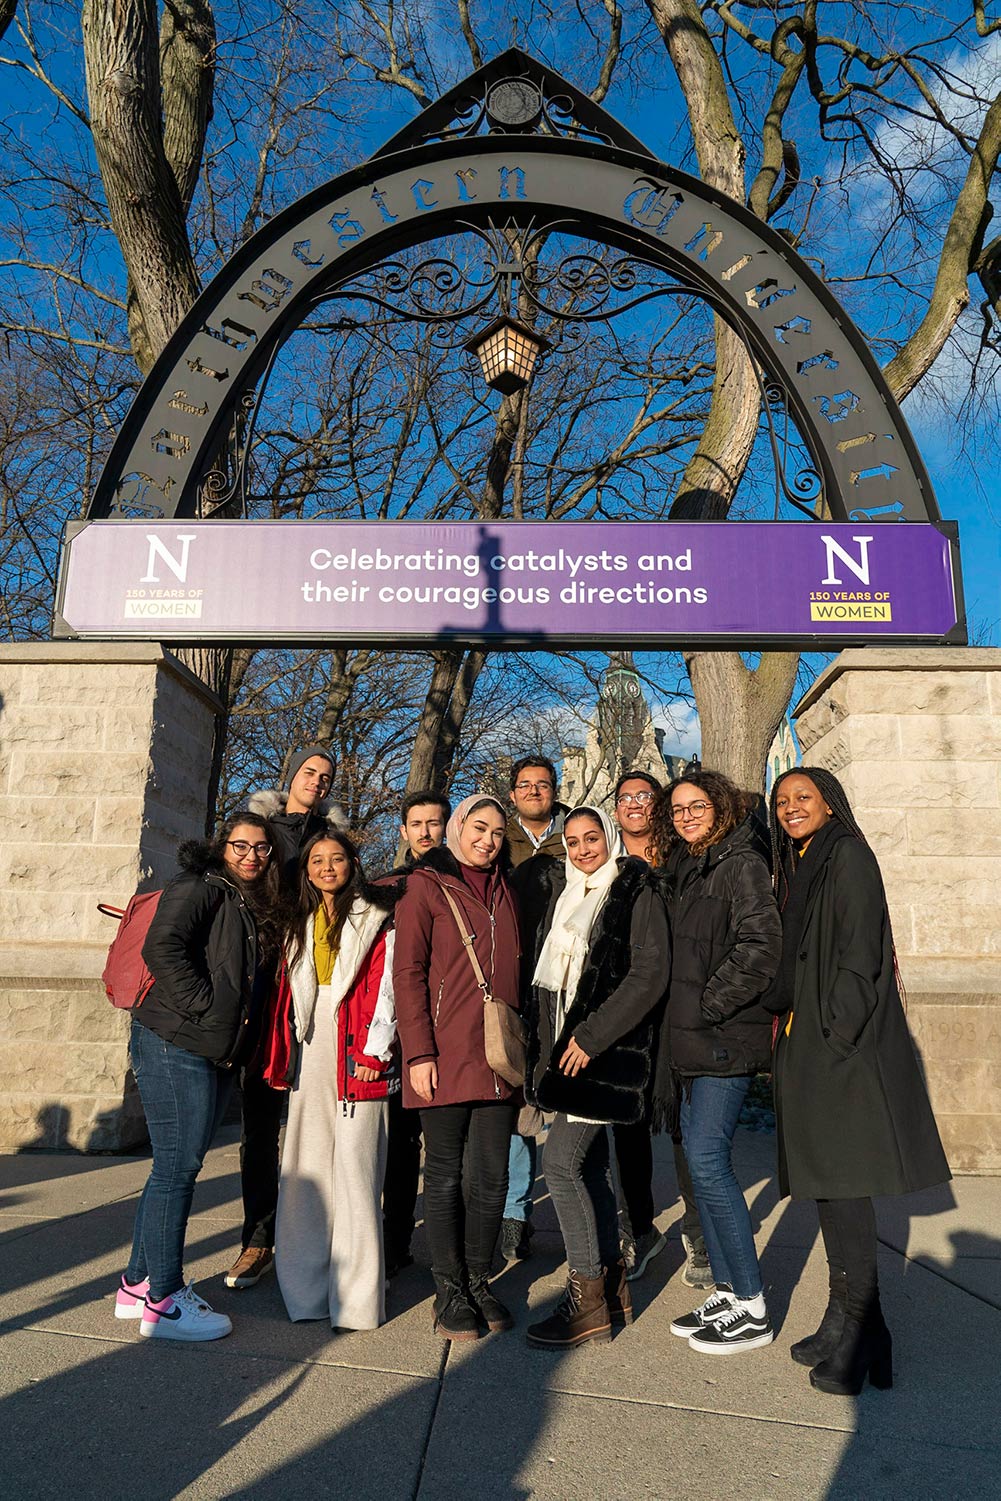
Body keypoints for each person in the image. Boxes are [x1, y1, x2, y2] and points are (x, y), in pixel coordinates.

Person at [768, 768, 950, 1395]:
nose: (792, 808)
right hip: (812, 1043)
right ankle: (844, 1318)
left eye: (803, 798)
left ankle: (863, 1331)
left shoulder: (846, 855)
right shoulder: (805, 860)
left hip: (836, 1047)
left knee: (846, 1192)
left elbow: (859, 956)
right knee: (830, 1190)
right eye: (783, 800)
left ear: (830, 804)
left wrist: (834, 1035)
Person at [116, 812, 282, 1341]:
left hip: (199, 1046)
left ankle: (137, 1284)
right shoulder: (200, 885)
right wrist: (206, 1011)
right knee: (178, 1170)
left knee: (169, 1167)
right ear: (221, 845)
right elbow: (161, 949)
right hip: (175, 1041)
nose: (251, 856)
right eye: (241, 846)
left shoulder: (238, 896)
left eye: (261, 849)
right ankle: (164, 1302)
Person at [524, 807, 669, 1350]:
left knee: (560, 1164)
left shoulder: (634, 891)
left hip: (601, 1054)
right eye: (574, 841)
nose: (584, 849)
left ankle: (586, 1298)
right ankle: (610, 1296)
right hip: (569, 1054)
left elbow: (648, 975)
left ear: (610, 837)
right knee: (586, 1168)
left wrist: (590, 1037)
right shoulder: (570, 895)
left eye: (592, 838)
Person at [649, 771, 782, 1356]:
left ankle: (752, 1305)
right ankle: (728, 1289)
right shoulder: (696, 866)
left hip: (724, 1039)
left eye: (696, 806)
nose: (685, 815)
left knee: (706, 1160)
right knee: (704, 1165)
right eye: (676, 809)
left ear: (720, 808)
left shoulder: (741, 863)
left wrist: (706, 1006)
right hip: (697, 1041)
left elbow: (760, 947)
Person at [393, 794, 522, 1341]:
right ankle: (448, 1288)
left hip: (497, 1056)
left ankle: (477, 1278)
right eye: (478, 827)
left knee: (491, 1177)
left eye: (497, 831)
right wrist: (418, 1051)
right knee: (444, 1176)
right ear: (457, 829)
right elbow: (408, 973)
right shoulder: (426, 886)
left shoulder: (508, 892)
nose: (488, 839)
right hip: (443, 1053)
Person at [226, 744, 344, 1291]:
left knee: (315, 1120)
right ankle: (258, 1237)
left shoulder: (332, 843)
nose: (316, 781)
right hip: (261, 986)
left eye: (325, 776)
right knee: (259, 1122)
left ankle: (310, 1235)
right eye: (308, 772)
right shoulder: (258, 834)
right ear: (290, 774)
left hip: (315, 984)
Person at [272, 829, 400, 1330]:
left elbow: (389, 988)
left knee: (356, 1163)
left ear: (352, 863)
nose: (327, 867)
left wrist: (377, 1049)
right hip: (312, 1040)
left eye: (337, 858)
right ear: (305, 869)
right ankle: (305, 1292)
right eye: (317, 860)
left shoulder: (377, 916)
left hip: (361, 1040)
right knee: (306, 1161)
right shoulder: (296, 920)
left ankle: (355, 1300)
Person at [611, 771, 711, 1291]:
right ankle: (641, 1228)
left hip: (675, 1009)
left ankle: (698, 1234)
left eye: (645, 796)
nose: (634, 804)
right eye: (625, 797)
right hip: (625, 1011)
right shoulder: (606, 864)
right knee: (627, 1126)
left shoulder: (682, 861)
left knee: (681, 1124)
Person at [378, 790, 452, 1277]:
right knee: (400, 1146)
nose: (426, 832)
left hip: (452, 1030)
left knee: (449, 1149)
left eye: (435, 823)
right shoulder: (384, 888)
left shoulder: (463, 883)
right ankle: (394, 1240)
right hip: (399, 1034)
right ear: (403, 832)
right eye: (416, 824)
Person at [502, 754, 569, 1261]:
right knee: (513, 1102)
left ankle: (581, 1211)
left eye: (542, 784)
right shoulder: (496, 837)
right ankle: (513, 1213)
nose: (533, 791)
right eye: (525, 785)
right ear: (512, 792)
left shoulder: (578, 833)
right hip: (510, 977)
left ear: (554, 789)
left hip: (563, 982)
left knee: (566, 1104)